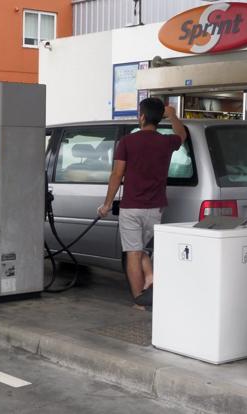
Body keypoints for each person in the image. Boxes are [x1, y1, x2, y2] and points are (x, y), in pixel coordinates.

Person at [98, 98, 187, 308]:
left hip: (131, 207)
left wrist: (107, 204)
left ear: (142, 117)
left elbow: (117, 174)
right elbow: (182, 135)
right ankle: (150, 276)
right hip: (155, 208)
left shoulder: (128, 142)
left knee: (133, 252)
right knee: (140, 248)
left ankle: (140, 300)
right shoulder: (166, 142)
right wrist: (173, 115)